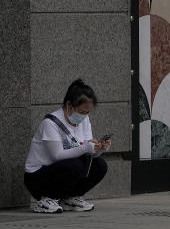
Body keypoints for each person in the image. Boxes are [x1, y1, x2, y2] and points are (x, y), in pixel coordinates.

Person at [24, 79, 111, 213]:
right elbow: (57, 156)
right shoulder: (50, 123)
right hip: (38, 177)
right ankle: (46, 199)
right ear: (69, 105)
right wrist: (86, 147)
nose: (84, 116)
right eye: (82, 112)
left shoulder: (84, 120)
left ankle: (71, 198)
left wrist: (98, 149)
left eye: (88, 112)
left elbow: (87, 151)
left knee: (99, 165)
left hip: (65, 169)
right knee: (74, 165)